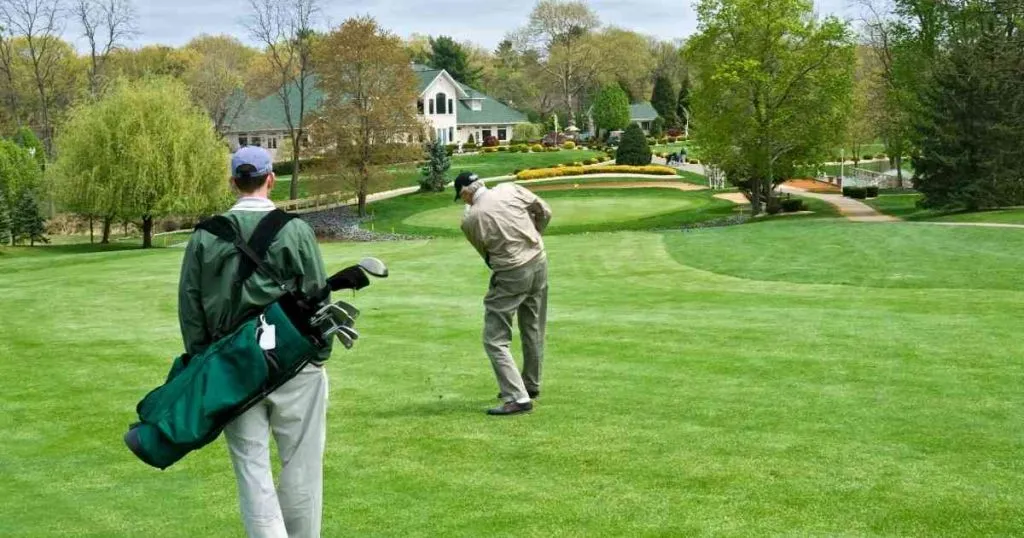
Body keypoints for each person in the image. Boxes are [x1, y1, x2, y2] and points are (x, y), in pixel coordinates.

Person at [177, 145, 333, 538]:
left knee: (251, 467)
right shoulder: (295, 229)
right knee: (302, 464)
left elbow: (191, 306)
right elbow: (317, 294)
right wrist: (320, 352)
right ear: (270, 178)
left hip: (232, 363)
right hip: (294, 360)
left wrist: (202, 359)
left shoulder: (204, 236)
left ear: (233, 182)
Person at [455, 171, 553, 416]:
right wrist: (534, 235)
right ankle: (530, 384)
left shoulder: (471, 219)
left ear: (466, 193)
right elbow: (544, 211)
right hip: (539, 260)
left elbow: (486, 255)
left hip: (512, 272)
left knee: (495, 338)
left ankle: (518, 397)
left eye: (462, 197)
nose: (464, 202)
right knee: (532, 325)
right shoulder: (510, 189)